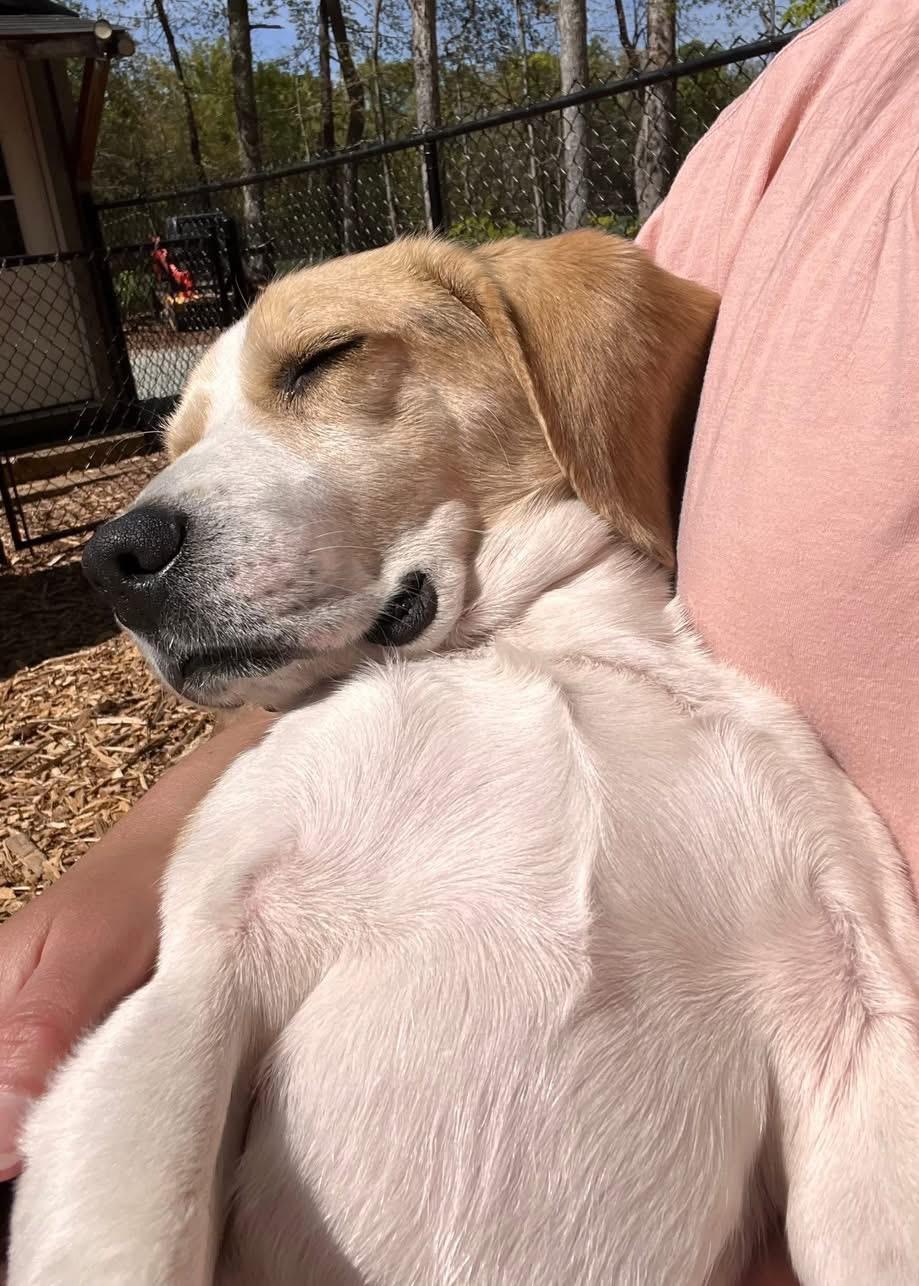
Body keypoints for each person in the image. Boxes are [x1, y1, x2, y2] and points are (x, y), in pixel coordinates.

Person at [0, 1, 914, 1278]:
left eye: (315, 363)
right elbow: (167, 1051)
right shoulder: (324, 753)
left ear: (537, 354)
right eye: (192, 451)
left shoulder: (771, 765)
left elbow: (868, 1090)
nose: (138, 537)